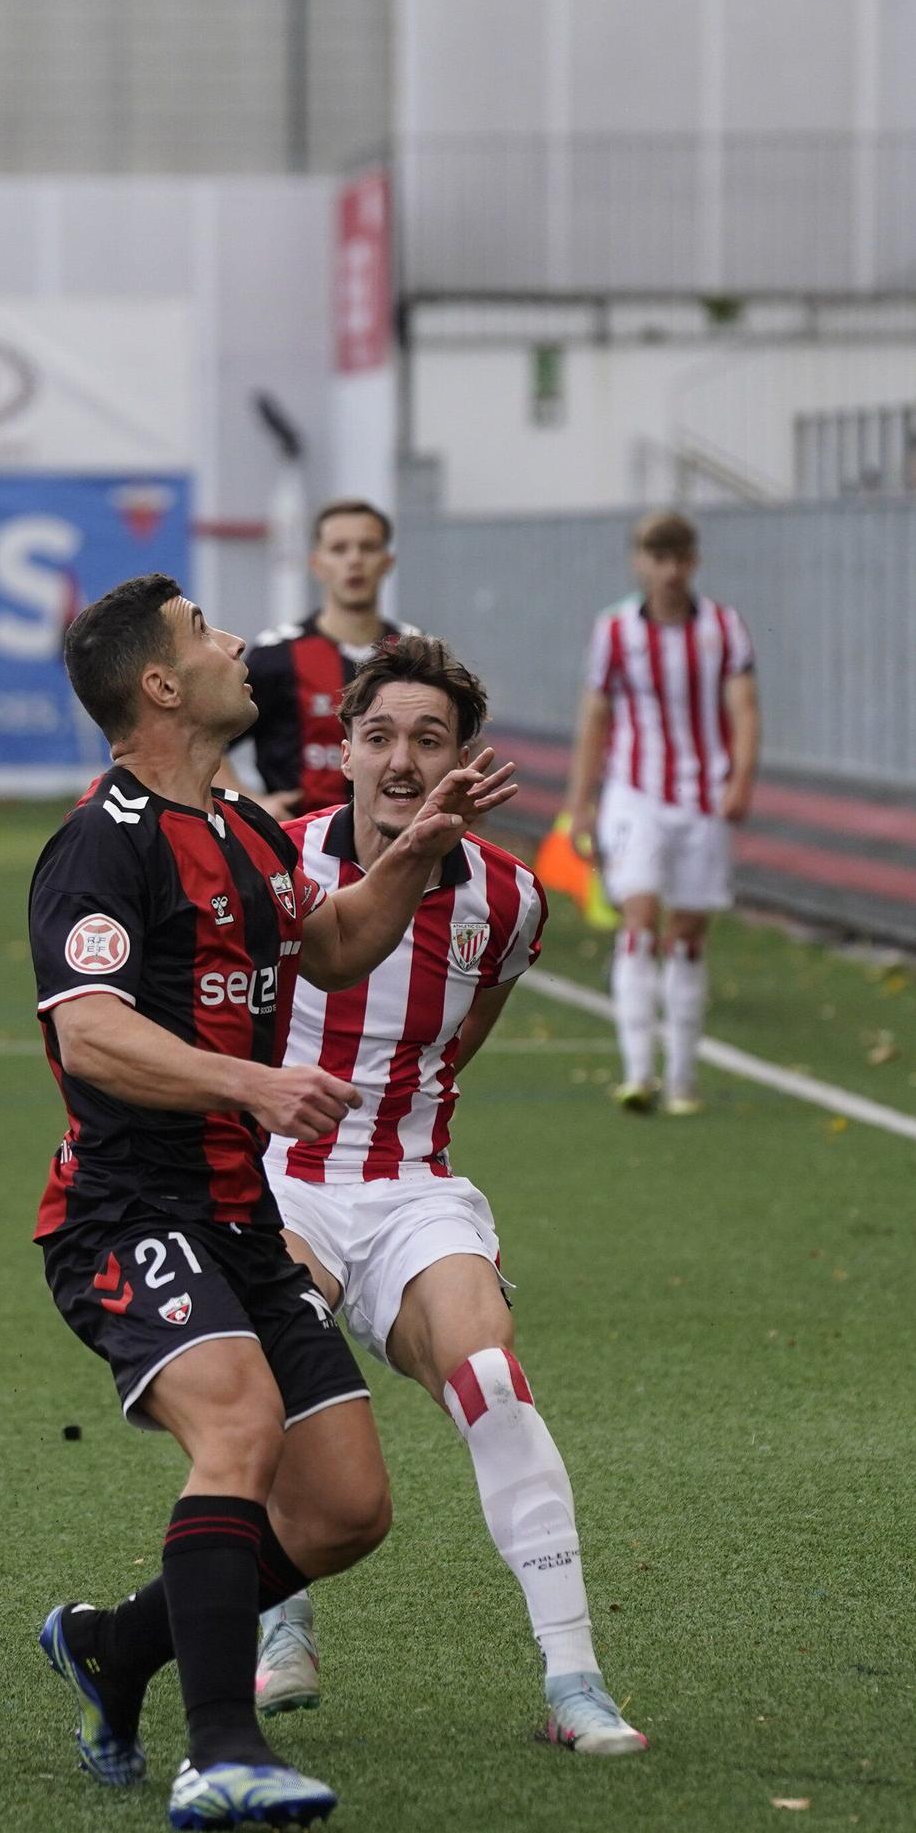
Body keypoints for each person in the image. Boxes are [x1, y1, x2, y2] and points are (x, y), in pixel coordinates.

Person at [30, 574, 516, 1832]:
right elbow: (91, 1034)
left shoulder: (248, 828)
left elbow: (341, 938)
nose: (238, 645)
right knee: (237, 1422)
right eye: (205, 634)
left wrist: (415, 846)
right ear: (157, 684)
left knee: (345, 1506)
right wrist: (251, 1077)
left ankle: (114, 1646)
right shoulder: (105, 837)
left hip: (239, 1218)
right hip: (128, 1214)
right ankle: (222, 1751)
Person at [251, 635, 648, 1759]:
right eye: (378, 734)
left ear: (462, 759)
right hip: (281, 1181)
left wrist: (402, 1131)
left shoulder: (511, 900)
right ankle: (281, 1621)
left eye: (428, 737)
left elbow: (464, 1037)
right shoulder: (278, 863)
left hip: (413, 1188)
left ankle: (575, 1679)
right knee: (275, 1355)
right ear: (342, 748)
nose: (401, 758)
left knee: (490, 1376)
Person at [563, 512, 759, 1114]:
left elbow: (745, 708)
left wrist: (742, 779)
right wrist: (582, 803)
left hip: (703, 795)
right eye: (657, 556)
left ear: (693, 561)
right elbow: (596, 714)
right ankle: (639, 1072)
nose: (669, 569)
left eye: (679, 557)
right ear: (639, 561)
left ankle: (682, 1078)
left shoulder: (724, 628)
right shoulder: (615, 630)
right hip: (635, 793)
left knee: (690, 935)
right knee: (640, 917)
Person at [220, 499, 419, 820]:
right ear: (317, 563)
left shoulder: (415, 652)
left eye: (367, 548)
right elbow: (202, 741)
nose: (354, 560)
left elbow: (460, 744)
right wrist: (251, 802)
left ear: (387, 561)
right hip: (296, 850)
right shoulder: (278, 654)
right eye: (339, 549)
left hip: (397, 842)